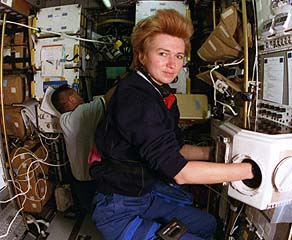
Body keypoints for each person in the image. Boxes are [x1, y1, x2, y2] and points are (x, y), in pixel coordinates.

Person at [90, 9, 254, 240]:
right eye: (163, 53)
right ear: (141, 55)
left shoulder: (160, 93)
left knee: (208, 225)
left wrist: (214, 153)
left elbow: (174, 149)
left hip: (143, 196)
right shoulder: (136, 98)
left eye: (178, 56)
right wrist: (250, 171)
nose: (172, 64)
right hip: (117, 209)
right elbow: (180, 173)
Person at [51, 84, 107, 213]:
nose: (80, 96)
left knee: (91, 210)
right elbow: (107, 99)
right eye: (76, 94)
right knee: (101, 212)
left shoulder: (64, 119)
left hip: (78, 180)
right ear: (71, 98)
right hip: (92, 180)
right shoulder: (81, 113)